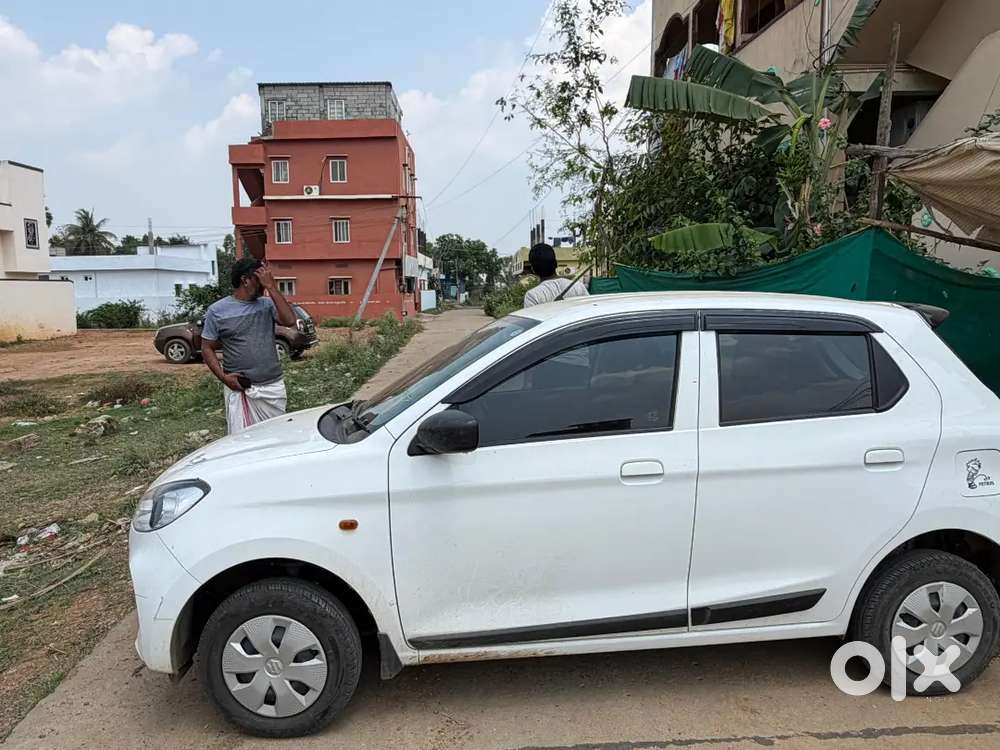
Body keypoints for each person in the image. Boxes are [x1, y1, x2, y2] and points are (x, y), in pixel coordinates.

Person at [201, 257, 297, 434]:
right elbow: (207, 347)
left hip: (272, 388)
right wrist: (224, 377)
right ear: (245, 280)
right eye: (259, 278)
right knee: (243, 445)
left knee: (276, 440)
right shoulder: (217, 311)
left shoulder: (267, 305)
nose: (263, 283)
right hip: (241, 391)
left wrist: (272, 287)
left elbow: (290, 321)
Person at [522, 242, 589, 307]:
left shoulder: (532, 296)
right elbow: (590, 311)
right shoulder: (578, 287)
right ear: (556, 263)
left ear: (533, 269)